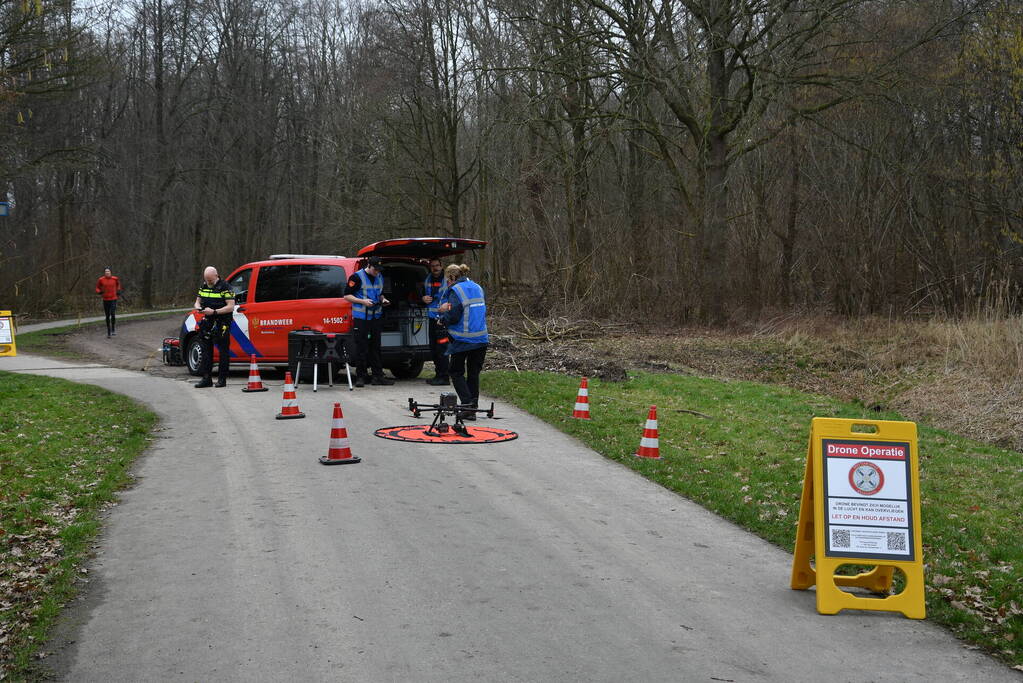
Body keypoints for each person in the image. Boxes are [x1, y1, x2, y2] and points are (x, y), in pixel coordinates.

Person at [438, 263, 488, 419]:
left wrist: (442, 318)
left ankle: (467, 406)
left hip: (463, 339)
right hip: (481, 338)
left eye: (447, 280)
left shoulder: (456, 290)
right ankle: (473, 407)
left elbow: (454, 315)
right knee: (473, 373)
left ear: (452, 277)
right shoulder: (477, 287)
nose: (447, 283)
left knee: (455, 372)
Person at [343, 256, 395, 387]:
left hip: (376, 317)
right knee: (361, 347)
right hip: (361, 318)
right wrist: (363, 302)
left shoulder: (380, 276)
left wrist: (383, 300)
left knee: (376, 347)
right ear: (369, 266)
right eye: (375, 269)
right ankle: (361, 376)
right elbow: (346, 295)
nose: (377, 272)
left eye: (379, 270)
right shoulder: (356, 277)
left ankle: (378, 376)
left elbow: (380, 293)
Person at [193, 266, 235, 388]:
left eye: (210, 280)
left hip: (222, 322)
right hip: (207, 321)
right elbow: (197, 301)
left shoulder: (225, 287)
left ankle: (222, 380)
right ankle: (206, 379)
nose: (208, 283)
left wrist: (214, 312)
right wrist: (198, 307)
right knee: (206, 350)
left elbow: (230, 306)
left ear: (216, 276)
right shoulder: (204, 286)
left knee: (223, 352)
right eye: (206, 280)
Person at [421, 257, 450, 385]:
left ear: (441, 265)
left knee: (442, 349)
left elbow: (455, 299)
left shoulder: (448, 280)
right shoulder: (428, 279)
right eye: (432, 266)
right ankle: (438, 375)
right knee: (433, 349)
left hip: (443, 319)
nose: (435, 268)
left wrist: (447, 308)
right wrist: (423, 298)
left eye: (437, 265)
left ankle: (444, 377)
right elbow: (422, 294)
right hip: (432, 318)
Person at [95, 267, 123, 337]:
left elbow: (118, 285)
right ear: (104, 273)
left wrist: (118, 290)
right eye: (106, 271)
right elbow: (97, 287)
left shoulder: (115, 278)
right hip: (105, 299)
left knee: (112, 313)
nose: (107, 272)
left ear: (110, 272)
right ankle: (108, 331)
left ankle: (113, 329)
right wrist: (99, 292)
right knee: (107, 316)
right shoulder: (101, 279)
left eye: (108, 271)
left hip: (113, 298)